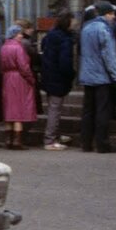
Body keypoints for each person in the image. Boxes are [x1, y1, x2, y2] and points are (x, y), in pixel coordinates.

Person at [79, 1, 116, 153]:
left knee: (88, 111)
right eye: (112, 14)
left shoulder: (86, 28)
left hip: (87, 74)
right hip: (102, 76)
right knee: (102, 111)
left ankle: (86, 143)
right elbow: (108, 55)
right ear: (106, 14)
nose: (113, 17)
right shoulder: (104, 29)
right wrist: (115, 75)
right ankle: (102, 144)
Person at [40, 12, 75, 150]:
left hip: (49, 75)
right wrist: (71, 74)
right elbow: (65, 62)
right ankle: (50, 140)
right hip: (58, 78)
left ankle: (54, 135)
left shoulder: (50, 36)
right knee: (55, 109)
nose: (75, 23)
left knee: (53, 107)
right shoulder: (64, 39)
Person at [0, 25, 38, 150]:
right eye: (19, 34)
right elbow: (24, 66)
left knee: (9, 109)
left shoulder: (4, 47)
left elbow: (0, 65)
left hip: (7, 78)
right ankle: (17, 141)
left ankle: (7, 140)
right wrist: (31, 79)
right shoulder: (18, 48)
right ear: (14, 35)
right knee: (18, 110)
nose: (21, 36)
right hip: (19, 79)